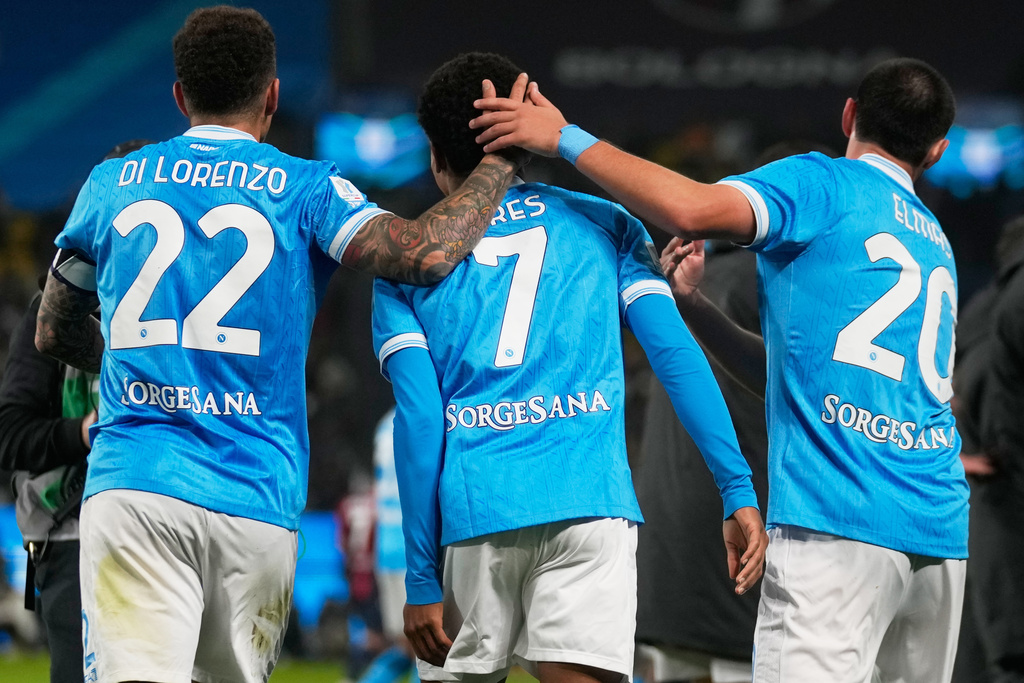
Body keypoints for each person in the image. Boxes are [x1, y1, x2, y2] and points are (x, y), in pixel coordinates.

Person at [32, 7, 523, 683]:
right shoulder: (310, 189)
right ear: (272, 94)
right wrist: (496, 164)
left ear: (179, 96)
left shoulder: (112, 183)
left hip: (137, 485)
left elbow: (53, 328)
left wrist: (133, 365)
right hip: (255, 496)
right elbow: (426, 254)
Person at [471, 57, 968, 683]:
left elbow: (692, 208)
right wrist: (694, 307)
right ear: (938, 151)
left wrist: (563, 137)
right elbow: (801, 379)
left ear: (849, 115)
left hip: (838, 523)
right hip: (938, 531)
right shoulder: (936, 241)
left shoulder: (825, 184)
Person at [372, 52, 766, 683]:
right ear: (523, 139)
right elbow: (677, 358)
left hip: (477, 511)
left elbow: (418, 422)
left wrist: (420, 575)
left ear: (434, 154)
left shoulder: (406, 261)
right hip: (590, 505)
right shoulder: (608, 224)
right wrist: (737, 488)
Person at [0, 140, 149, 683]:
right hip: (73, 536)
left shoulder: (174, 308)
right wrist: (88, 430)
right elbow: (8, 435)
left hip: (165, 528)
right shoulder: (50, 313)